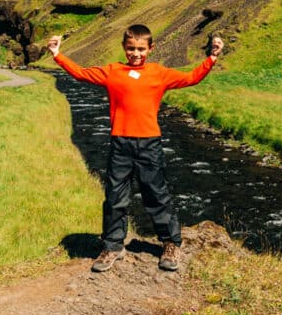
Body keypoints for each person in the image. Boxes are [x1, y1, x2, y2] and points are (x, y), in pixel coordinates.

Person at [47, 24, 224, 272]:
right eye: (131, 48)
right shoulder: (112, 72)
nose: (136, 53)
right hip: (120, 144)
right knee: (115, 197)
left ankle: (170, 243)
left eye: (141, 49)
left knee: (156, 194)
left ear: (150, 49)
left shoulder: (159, 73)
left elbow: (190, 78)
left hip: (149, 144)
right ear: (124, 48)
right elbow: (80, 73)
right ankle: (112, 247)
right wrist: (57, 54)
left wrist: (212, 57)